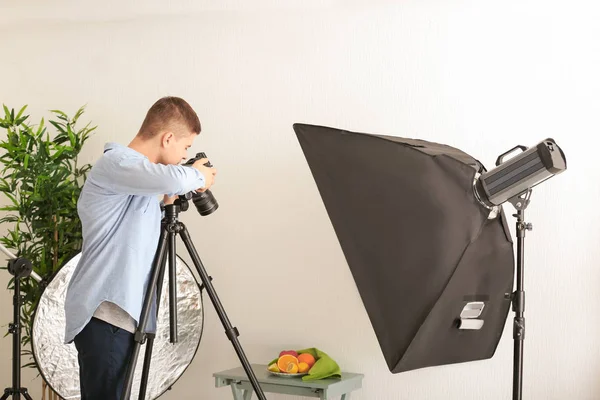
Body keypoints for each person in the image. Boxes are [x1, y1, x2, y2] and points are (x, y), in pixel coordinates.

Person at [63, 96, 217, 400]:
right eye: (185, 147)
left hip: (121, 318)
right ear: (168, 138)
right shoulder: (117, 163)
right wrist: (199, 175)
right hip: (106, 315)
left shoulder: (138, 183)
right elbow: (171, 178)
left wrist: (168, 200)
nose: (185, 154)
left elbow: (141, 227)